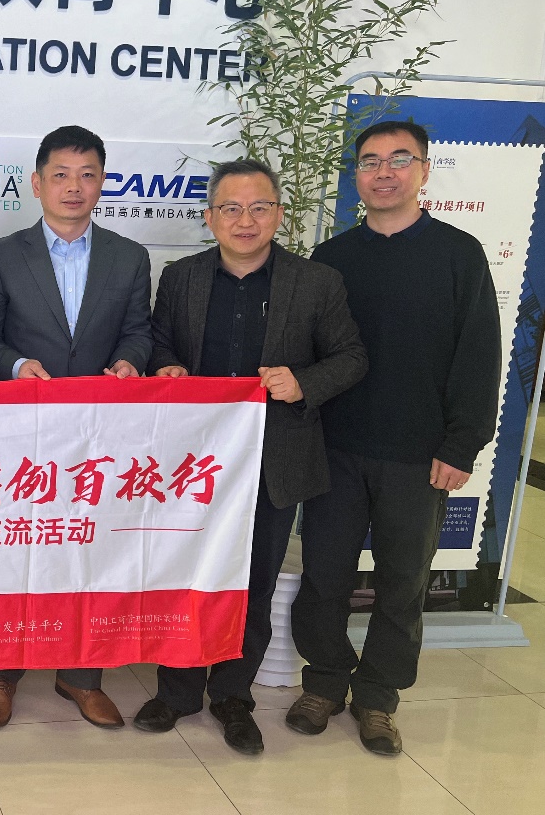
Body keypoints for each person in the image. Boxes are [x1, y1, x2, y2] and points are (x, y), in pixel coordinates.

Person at [132, 159, 366, 754]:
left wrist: (303, 382)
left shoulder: (316, 282)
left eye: (259, 207)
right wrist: (167, 366)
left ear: (279, 215)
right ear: (210, 217)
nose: (245, 220)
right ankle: (178, 692)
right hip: (193, 463)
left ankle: (233, 696)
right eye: (231, 208)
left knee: (253, 581)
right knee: (184, 575)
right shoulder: (181, 277)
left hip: (272, 460)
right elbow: (159, 341)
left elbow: (350, 357)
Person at [287, 121, 501, 755]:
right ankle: (324, 682)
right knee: (324, 576)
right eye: (371, 161)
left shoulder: (459, 255)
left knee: (403, 582)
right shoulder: (331, 258)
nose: (384, 172)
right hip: (335, 450)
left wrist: (461, 445)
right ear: (356, 175)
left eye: (399, 160)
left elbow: (478, 356)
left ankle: (379, 697)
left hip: (419, 455)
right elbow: (308, 354)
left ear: (424, 171)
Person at [0, 124, 152, 729]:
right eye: (60, 175)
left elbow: (138, 330)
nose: (74, 187)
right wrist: (16, 365)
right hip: (21, 429)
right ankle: (2, 672)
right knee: (13, 547)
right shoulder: (0, 254)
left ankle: (81, 676)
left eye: (87, 175)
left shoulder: (129, 257)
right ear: (36, 182)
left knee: (90, 550)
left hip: (99, 434)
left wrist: (130, 361)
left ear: (102, 182)